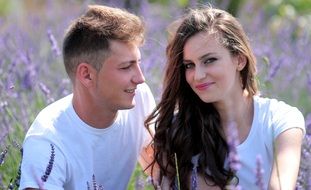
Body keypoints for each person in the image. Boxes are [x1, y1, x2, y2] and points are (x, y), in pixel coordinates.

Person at [145, 6, 305, 190]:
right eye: (189, 65)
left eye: (209, 60)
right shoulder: (179, 130)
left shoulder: (281, 120)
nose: (198, 75)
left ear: (239, 60)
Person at [19, 5, 156, 190]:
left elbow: (162, 170)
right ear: (87, 75)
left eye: (138, 63)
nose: (140, 78)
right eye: (126, 67)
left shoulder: (139, 97)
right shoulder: (47, 141)